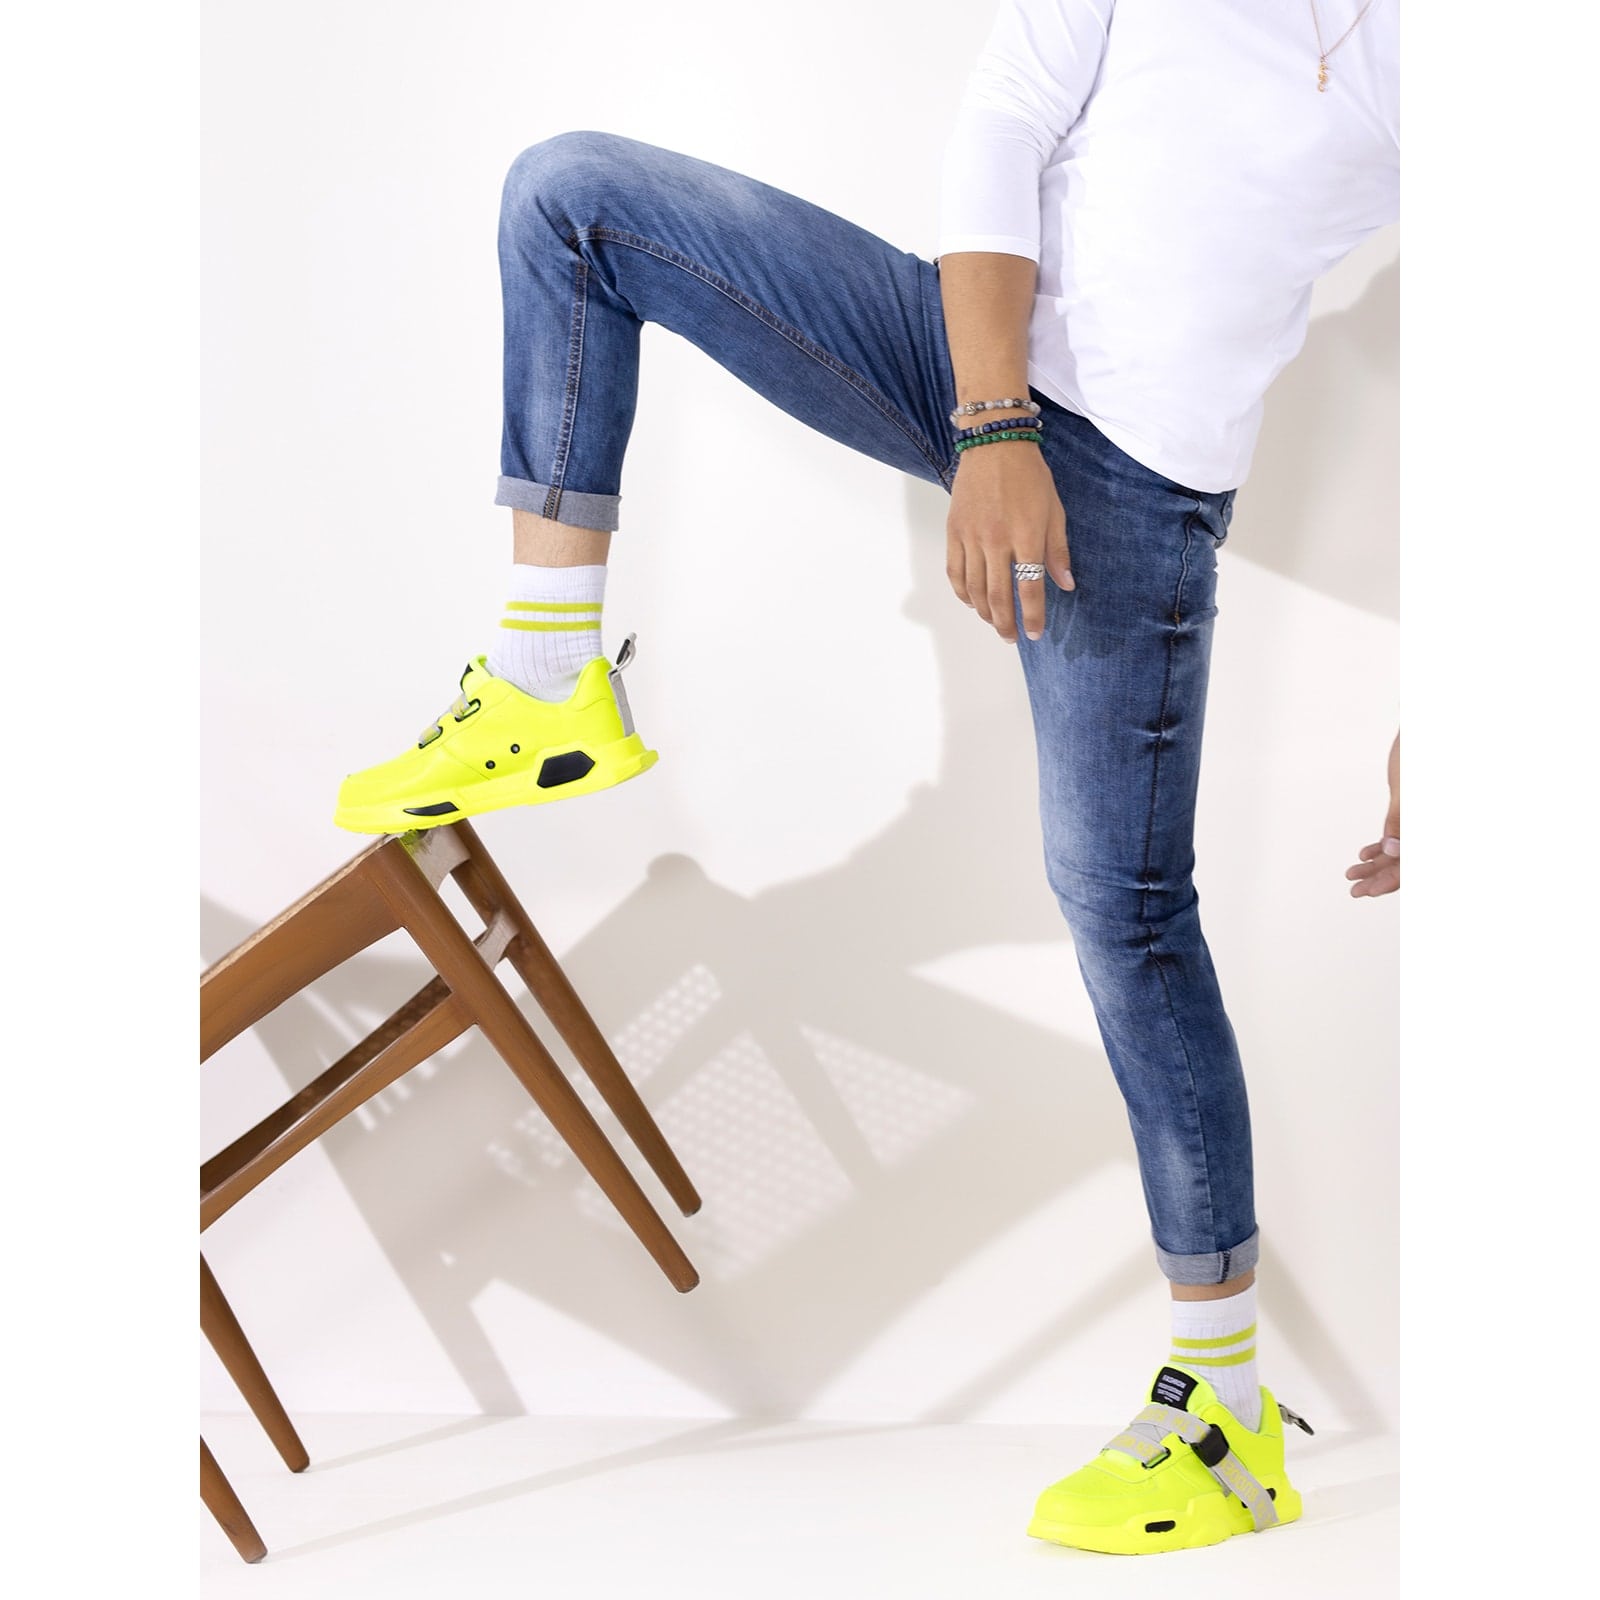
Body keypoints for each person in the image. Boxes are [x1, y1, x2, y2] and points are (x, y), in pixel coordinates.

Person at [335, 0, 1399, 1556]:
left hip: (1142, 486)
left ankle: (1223, 1410)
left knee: (1125, 921)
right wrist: (994, 426)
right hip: (963, 353)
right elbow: (1004, 124)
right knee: (575, 194)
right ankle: (548, 679)